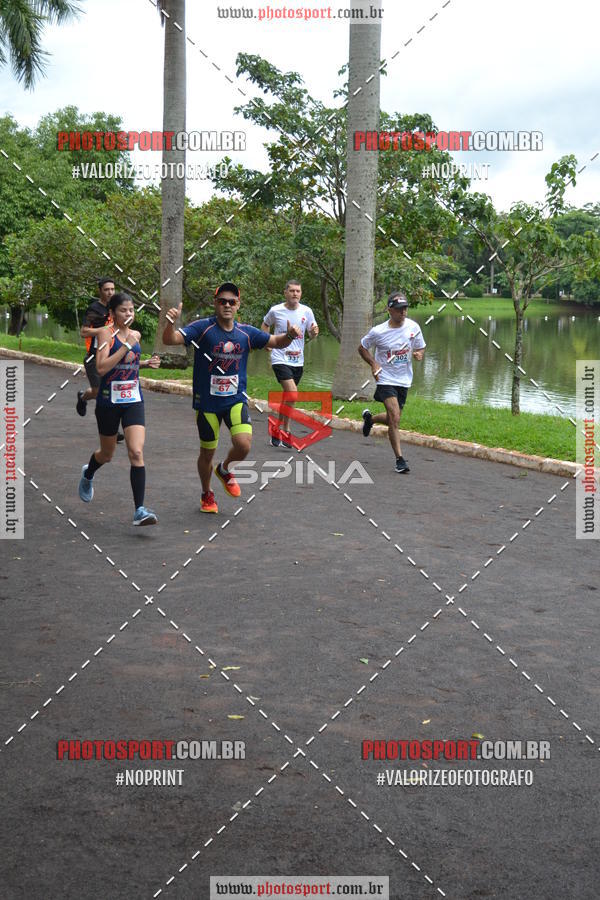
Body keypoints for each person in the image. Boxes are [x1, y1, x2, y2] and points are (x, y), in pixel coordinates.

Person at [163, 282, 301, 514]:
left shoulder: (246, 333)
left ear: (238, 305)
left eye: (231, 302)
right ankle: (207, 493)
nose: (227, 305)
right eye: (222, 301)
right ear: (215, 304)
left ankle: (225, 469)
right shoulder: (202, 329)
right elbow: (171, 340)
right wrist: (169, 322)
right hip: (207, 403)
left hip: (235, 399)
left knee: (244, 445)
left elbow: (276, 342)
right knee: (207, 453)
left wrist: (289, 334)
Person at [77, 292, 160, 525]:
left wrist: (144, 363)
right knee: (107, 454)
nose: (129, 314)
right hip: (108, 402)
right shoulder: (106, 333)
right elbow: (102, 367)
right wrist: (126, 346)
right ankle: (88, 473)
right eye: (123, 310)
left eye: (131, 310)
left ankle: (139, 510)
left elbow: (126, 363)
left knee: (136, 452)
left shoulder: (136, 335)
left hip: (133, 399)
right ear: (112, 314)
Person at [358, 290, 426, 474]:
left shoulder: (413, 327)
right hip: (385, 378)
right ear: (389, 310)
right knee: (395, 417)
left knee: (392, 419)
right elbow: (362, 347)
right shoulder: (378, 331)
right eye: (399, 309)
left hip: (404, 379)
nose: (403, 312)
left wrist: (419, 354)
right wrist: (373, 363)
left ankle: (370, 419)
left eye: (405, 308)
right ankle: (400, 460)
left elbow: (421, 346)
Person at [261, 279, 319, 448]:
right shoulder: (276, 310)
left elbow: (313, 331)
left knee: (288, 397)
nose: (295, 294)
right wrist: (267, 342)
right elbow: (265, 325)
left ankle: (276, 428)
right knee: (292, 394)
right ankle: (286, 427)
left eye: (298, 291)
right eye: (292, 291)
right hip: (279, 357)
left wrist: (315, 332)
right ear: (285, 293)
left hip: (298, 360)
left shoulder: (306, 311)